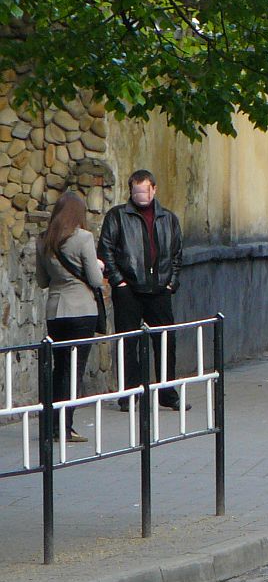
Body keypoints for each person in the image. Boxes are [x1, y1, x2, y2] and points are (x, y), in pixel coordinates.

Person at [98, 169, 188, 411]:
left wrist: (172, 282)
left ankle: (167, 392)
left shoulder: (168, 218)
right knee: (128, 342)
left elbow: (177, 253)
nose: (140, 196)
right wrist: (119, 281)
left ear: (154, 189)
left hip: (159, 289)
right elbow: (105, 249)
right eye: (136, 192)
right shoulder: (117, 216)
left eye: (144, 191)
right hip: (129, 289)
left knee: (166, 341)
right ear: (130, 191)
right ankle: (129, 394)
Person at [35, 191, 105, 442]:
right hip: (81, 311)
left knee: (58, 368)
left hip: (55, 311)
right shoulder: (83, 238)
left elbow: (42, 281)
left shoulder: (43, 240)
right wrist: (99, 266)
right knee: (74, 371)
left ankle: (50, 425)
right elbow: (96, 280)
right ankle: (66, 427)